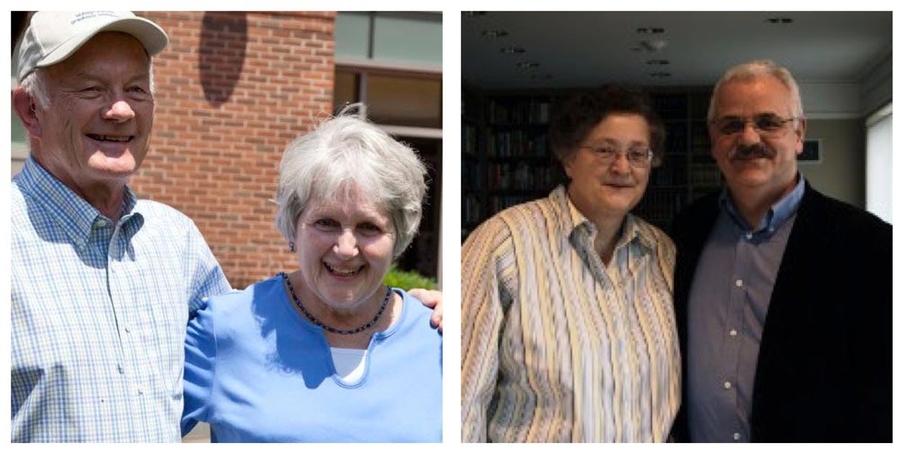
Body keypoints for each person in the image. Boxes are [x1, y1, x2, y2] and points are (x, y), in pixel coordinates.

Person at [10, 11, 444, 443]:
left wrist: (429, 311)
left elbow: (261, 334)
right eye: (92, 89)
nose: (121, 109)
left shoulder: (174, 243)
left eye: (137, 89)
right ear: (29, 110)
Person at [180, 108, 443, 442]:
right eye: (326, 222)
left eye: (369, 227)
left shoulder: (438, 337)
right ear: (293, 226)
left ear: (399, 237)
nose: (346, 248)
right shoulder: (225, 329)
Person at [670, 59, 891, 442]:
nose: (749, 138)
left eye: (768, 122)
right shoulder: (684, 232)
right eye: (731, 125)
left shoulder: (870, 244)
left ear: (799, 133)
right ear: (713, 139)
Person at [461, 84, 680, 442]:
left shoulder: (663, 254)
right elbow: (462, 398)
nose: (622, 167)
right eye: (605, 150)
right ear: (568, 157)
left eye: (638, 154)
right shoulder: (504, 244)